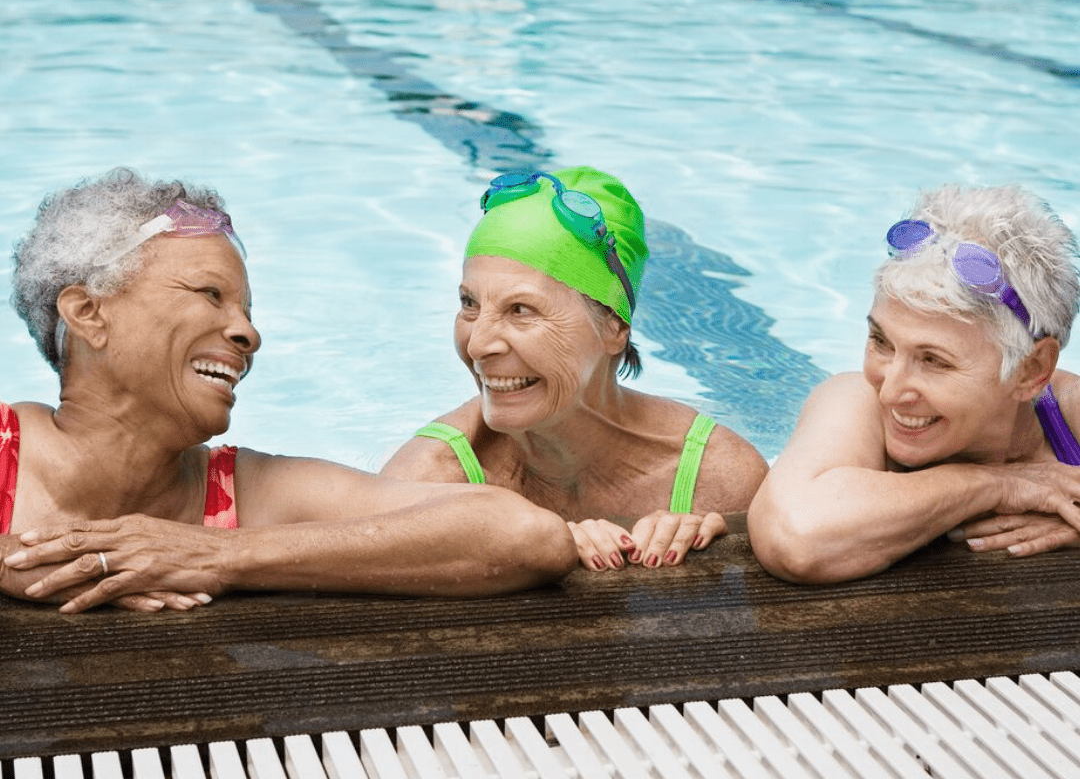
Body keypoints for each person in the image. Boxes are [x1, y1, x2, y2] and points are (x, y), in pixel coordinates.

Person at [0, 168, 578, 613]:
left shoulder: (245, 493)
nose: (248, 333)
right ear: (87, 313)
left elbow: (527, 536)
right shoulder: (7, 448)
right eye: (209, 293)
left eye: (246, 310)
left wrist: (215, 554)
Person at [380, 166, 768, 570]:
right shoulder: (429, 476)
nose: (478, 344)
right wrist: (526, 540)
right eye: (469, 304)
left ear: (614, 329)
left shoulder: (719, 478)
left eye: (520, 310)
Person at [748, 183, 1080, 584]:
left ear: (1031, 371)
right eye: (880, 342)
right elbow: (795, 537)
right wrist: (999, 484)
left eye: (934, 361)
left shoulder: (1068, 413)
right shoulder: (855, 401)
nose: (890, 391)